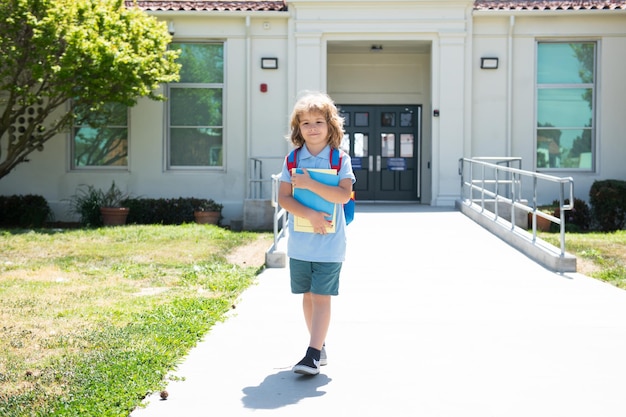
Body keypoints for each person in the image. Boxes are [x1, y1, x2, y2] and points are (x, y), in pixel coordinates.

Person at [278, 92, 356, 376]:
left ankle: (311, 354)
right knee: (308, 296)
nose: (312, 127)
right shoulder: (292, 159)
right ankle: (318, 345)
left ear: (330, 125)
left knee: (322, 296)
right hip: (300, 243)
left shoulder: (339, 159)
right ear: (298, 128)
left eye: (319, 122)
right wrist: (309, 214)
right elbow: (284, 198)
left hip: (329, 244)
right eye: (306, 123)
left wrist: (310, 183)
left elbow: (343, 195)